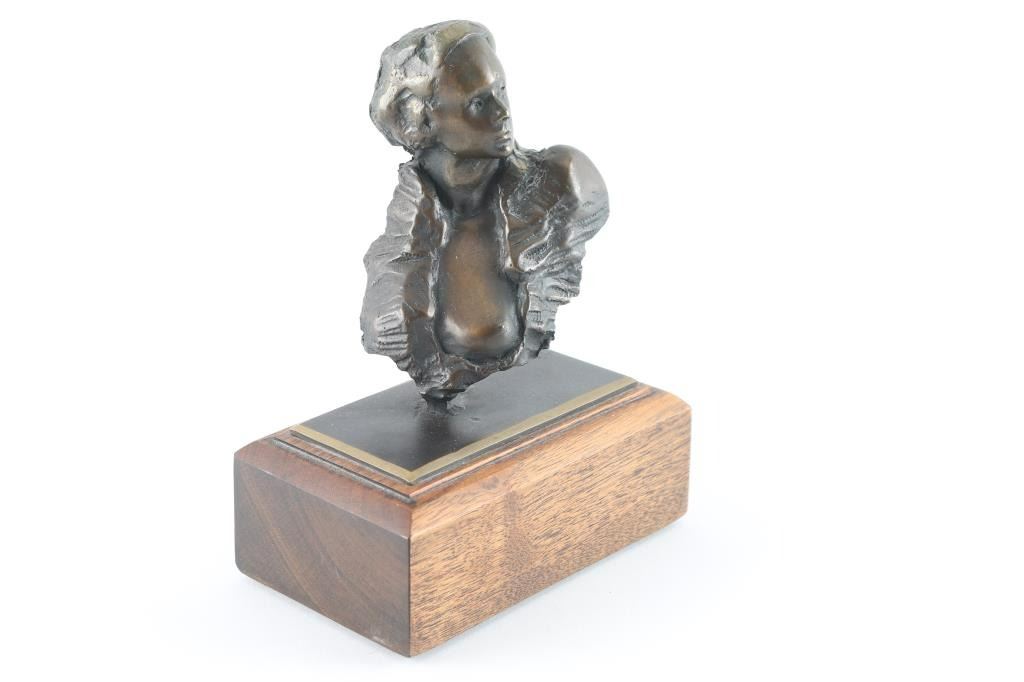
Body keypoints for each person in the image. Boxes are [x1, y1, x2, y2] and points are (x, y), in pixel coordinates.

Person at [362, 20, 609, 400]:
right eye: (478, 103)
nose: (502, 112)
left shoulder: (564, 187)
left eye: (501, 91)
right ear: (422, 121)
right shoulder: (398, 256)